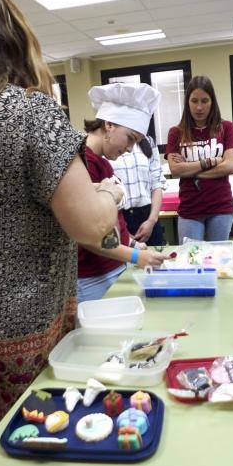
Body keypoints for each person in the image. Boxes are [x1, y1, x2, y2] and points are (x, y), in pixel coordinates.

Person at [0, 0, 124, 440]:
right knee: (42, 444)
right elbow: (95, 229)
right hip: (22, 324)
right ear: (19, 37)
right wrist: (109, 196)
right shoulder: (33, 112)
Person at [77, 83, 169, 302]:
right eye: (130, 138)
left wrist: (133, 243)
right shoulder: (83, 163)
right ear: (109, 124)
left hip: (113, 265)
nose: (129, 149)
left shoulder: (105, 164)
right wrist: (136, 256)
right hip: (92, 275)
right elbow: (91, 235)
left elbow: (113, 221)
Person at [166, 76, 233, 243]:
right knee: (192, 261)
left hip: (220, 206)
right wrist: (208, 162)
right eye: (194, 101)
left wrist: (191, 172)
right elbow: (175, 169)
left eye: (205, 101)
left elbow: (230, 166)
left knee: (218, 262)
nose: (199, 107)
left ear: (212, 101)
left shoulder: (226, 128)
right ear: (187, 102)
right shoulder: (176, 132)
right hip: (189, 207)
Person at [109, 133, 167, 246]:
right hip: (118, 217)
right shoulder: (111, 143)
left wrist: (151, 221)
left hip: (148, 216)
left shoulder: (148, 141)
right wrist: (122, 230)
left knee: (153, 260)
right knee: (126, 261)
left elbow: (157, 183)